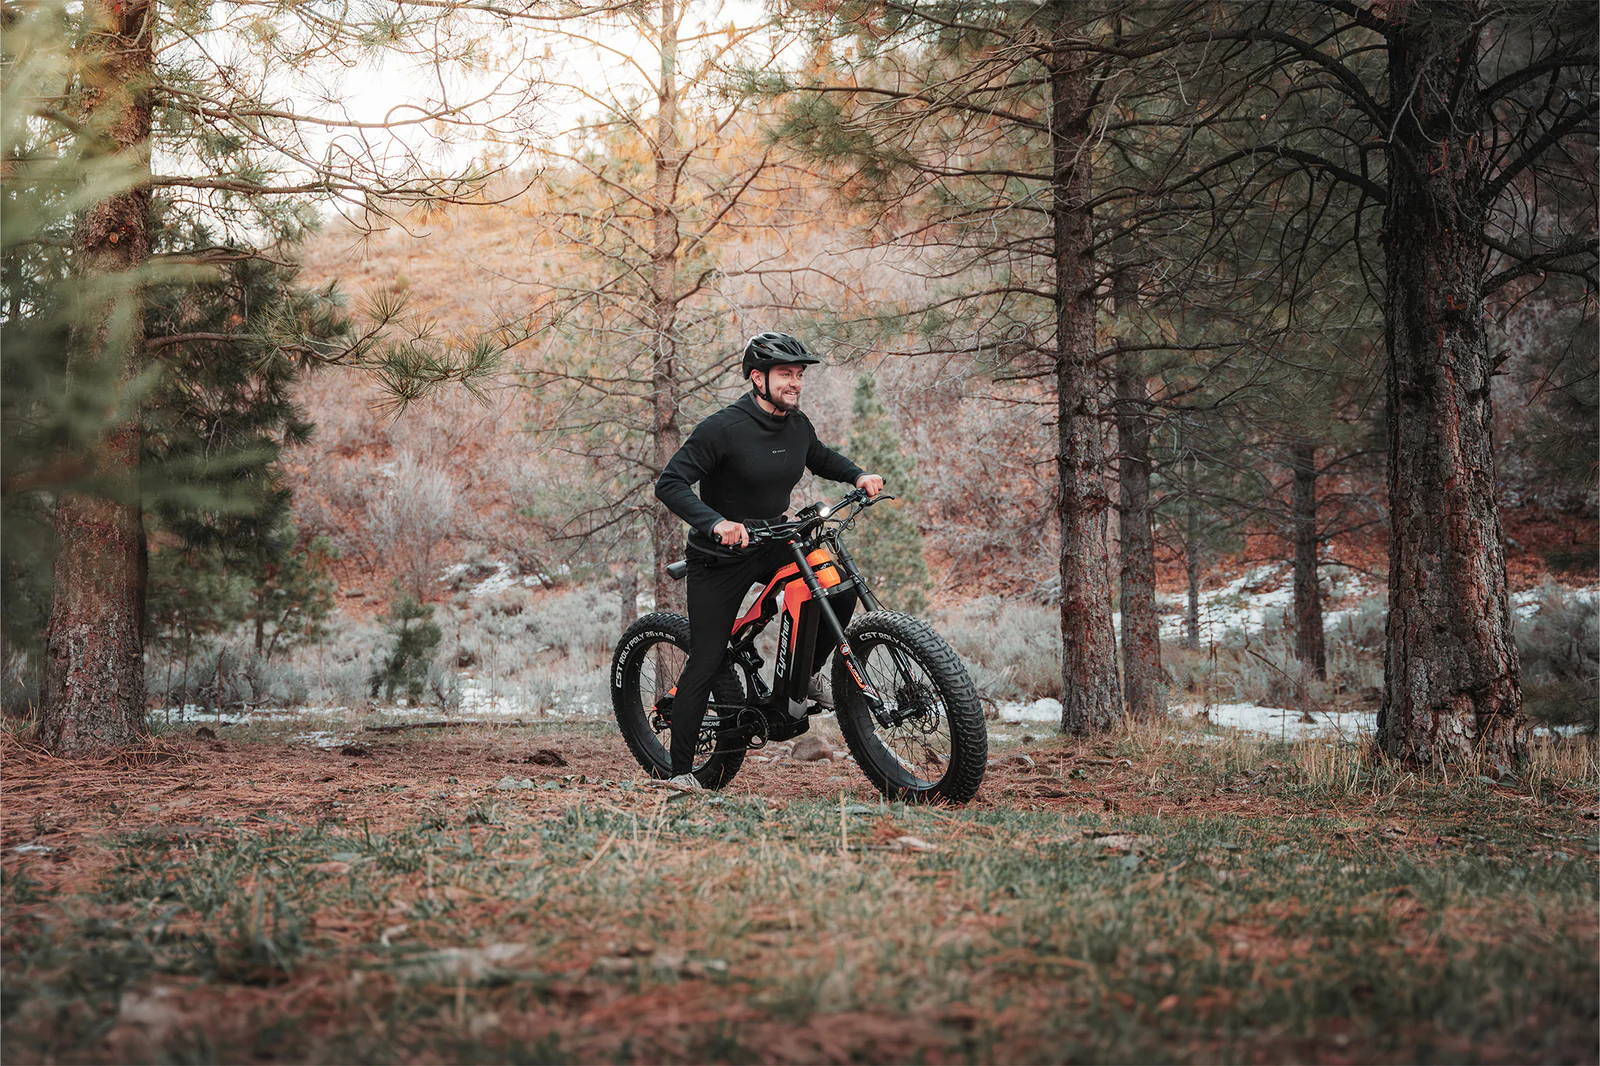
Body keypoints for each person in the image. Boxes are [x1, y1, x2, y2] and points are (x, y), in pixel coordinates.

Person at [654, 332, 884, 792]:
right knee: (708, 657)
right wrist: (716, 523)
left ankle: (805, 676)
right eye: (785, 374)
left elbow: (818, 457)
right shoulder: (723, 428)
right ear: (758, 378)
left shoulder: (796, 425)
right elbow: (671, 483)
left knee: (834, 585)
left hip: (775, 538)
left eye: (798, 375)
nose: (794, 382)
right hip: (720, 556)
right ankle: (680, 772)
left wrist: (857, 474)